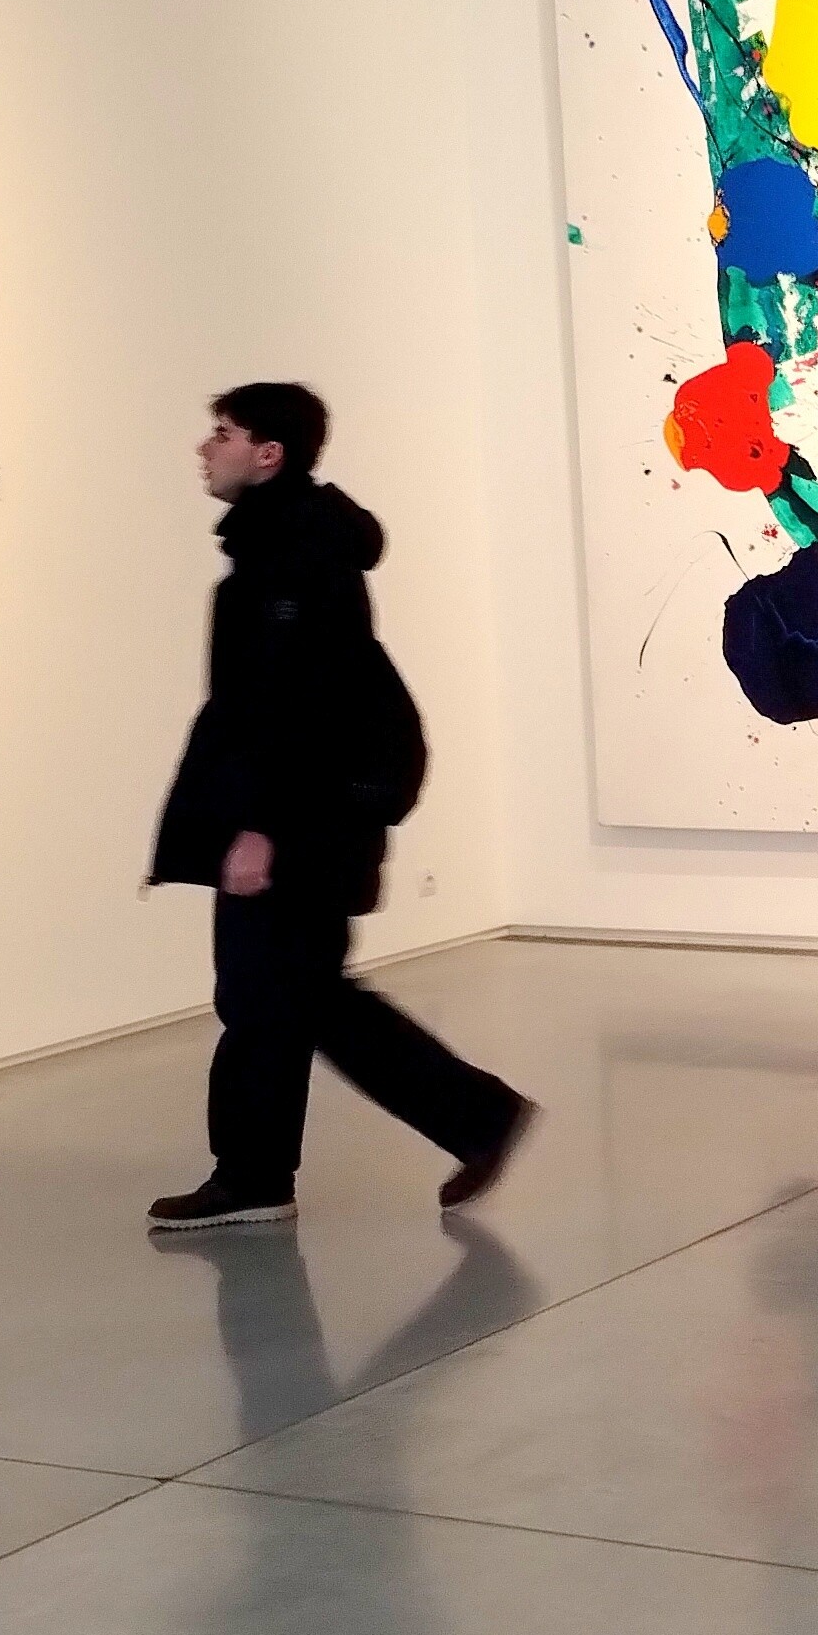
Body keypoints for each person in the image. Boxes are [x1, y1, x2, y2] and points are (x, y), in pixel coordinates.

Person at [144, 381, 531, 1229]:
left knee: (278, 995)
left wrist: (259, 828)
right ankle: (275, 1169)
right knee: (290, 996)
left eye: (222, 434)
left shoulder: (290, 559)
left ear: (268, 453)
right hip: (314, 817)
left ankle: (269, 1172)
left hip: (303, 823)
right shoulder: (284, 548)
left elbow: (291, 711)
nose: (205, 449)